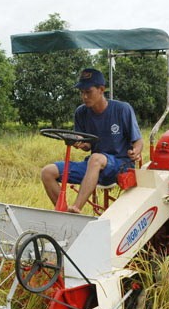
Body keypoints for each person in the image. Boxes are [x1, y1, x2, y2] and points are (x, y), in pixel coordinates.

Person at [41, 68, 143, 213]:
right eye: (81, 92)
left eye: (88, 92)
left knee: (95, 159)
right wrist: (80, 143)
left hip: (120, 164)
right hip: (94, 166)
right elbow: (87, 144)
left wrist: (135, 151)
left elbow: (138, 142)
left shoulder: (122, 109)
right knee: (47, 172)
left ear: (101, 89)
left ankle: (76, 209)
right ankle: (63, 212)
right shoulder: (81, 112)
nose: (84, 96)